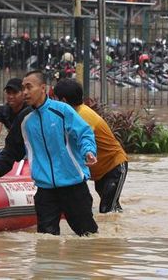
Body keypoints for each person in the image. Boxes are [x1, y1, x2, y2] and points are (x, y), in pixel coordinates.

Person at [0, 71, 98, 236]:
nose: (24, 92)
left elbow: (84, 133)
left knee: (88, 236)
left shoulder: (62, 111)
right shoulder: (24, 120)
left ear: (43, 88)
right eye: (23, 88)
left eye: (29, 87)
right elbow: (12, 149)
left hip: (73, 186)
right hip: (45, 189)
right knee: (46, 240)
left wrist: (88, 151)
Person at [52, 79, 128, 214]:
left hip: (114, 166)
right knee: (112, 209)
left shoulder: (82, 115)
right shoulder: (73, 114)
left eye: (54, 99)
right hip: (100, 172)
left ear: (63, 101)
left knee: (107, 211)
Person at [0, 78, 28, 166]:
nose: (11, 96)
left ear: (23, 93)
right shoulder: (1, 111)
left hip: (29, 149)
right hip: (13, 148)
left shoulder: (30, 110)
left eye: (15, 93)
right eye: (8, 93)